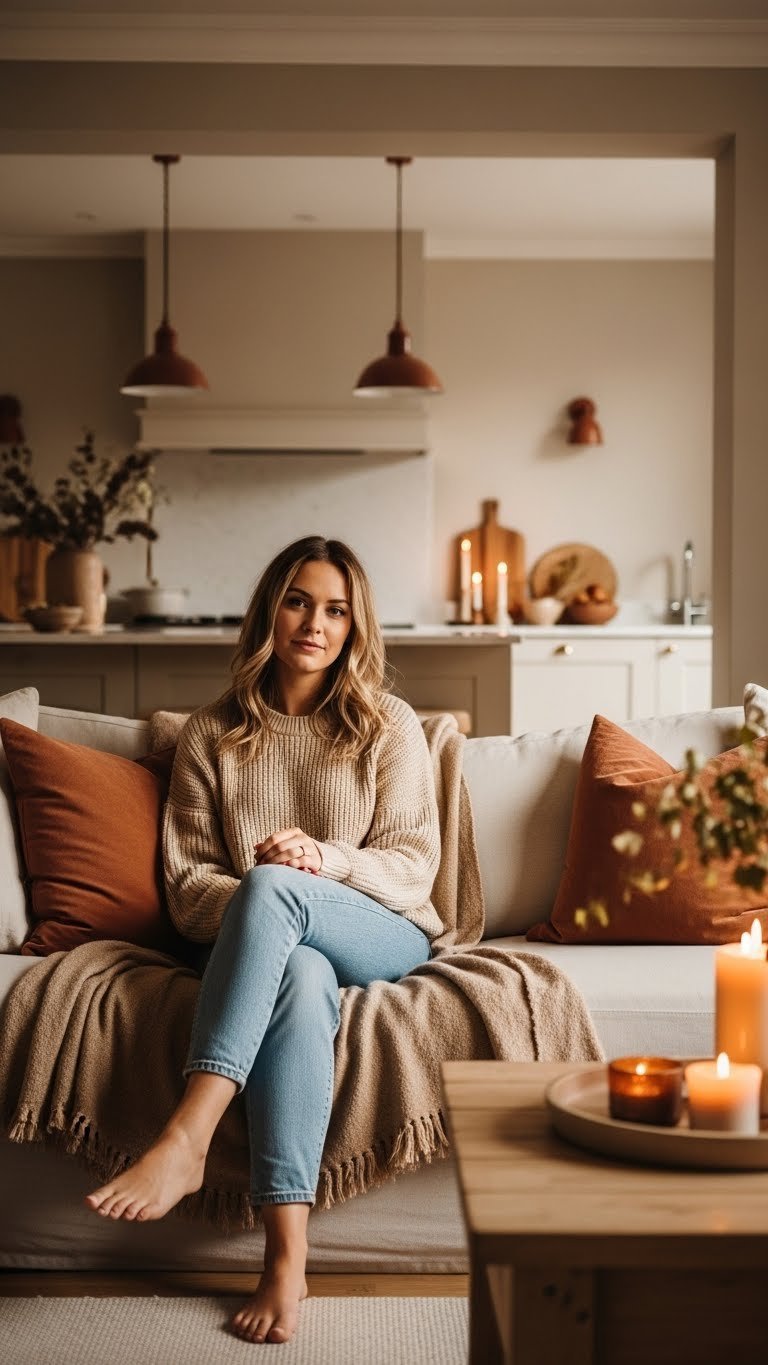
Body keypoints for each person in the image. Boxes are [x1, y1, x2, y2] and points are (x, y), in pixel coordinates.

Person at [85, 534, 443, 1345]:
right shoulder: (212, 733)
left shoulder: (387, 724)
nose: (314, 623)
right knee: (302, 973)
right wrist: (268, 899)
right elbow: (186, 888)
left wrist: (319, 863)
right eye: (298, 601)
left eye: (336, 609)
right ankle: (287, 1257)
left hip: (382, 928)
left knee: (282, 888)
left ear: (356, 626)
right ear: (268, 611)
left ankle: (187, 1135)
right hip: (273, 944)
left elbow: (415, 867)